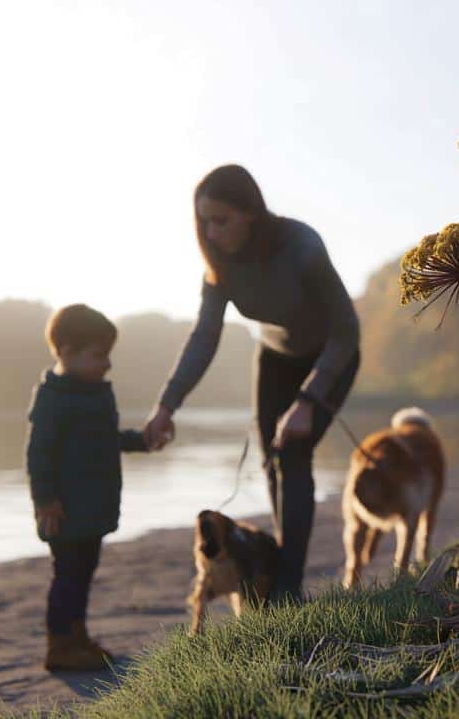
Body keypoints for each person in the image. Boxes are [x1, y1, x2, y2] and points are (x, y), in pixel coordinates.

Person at [143, 164, 360, 603]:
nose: (210, 230)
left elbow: (346, 331)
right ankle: (280, 580)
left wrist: (308, 400)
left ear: (251, 213)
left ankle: (287, 590)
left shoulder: (301, 245)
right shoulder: (219, 268)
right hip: (276, 358)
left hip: (330, 359)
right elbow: (204, 338)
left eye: (219, 219)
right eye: (203, 220)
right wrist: (167, 405)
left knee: (293, 453)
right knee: (271, 463)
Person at [25, 303, 150, 671]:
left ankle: (77, 636)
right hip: (64, 510)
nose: (107, 364)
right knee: (67, 575)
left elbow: (104, 440)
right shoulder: (53, 397)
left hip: (95, 507)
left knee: (84, 573)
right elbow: (38, 454)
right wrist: (45, 499)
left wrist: (142, 440)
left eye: (108, 356)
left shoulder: (95, 393)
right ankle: (58, 646)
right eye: (99, 356)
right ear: (65, 351)